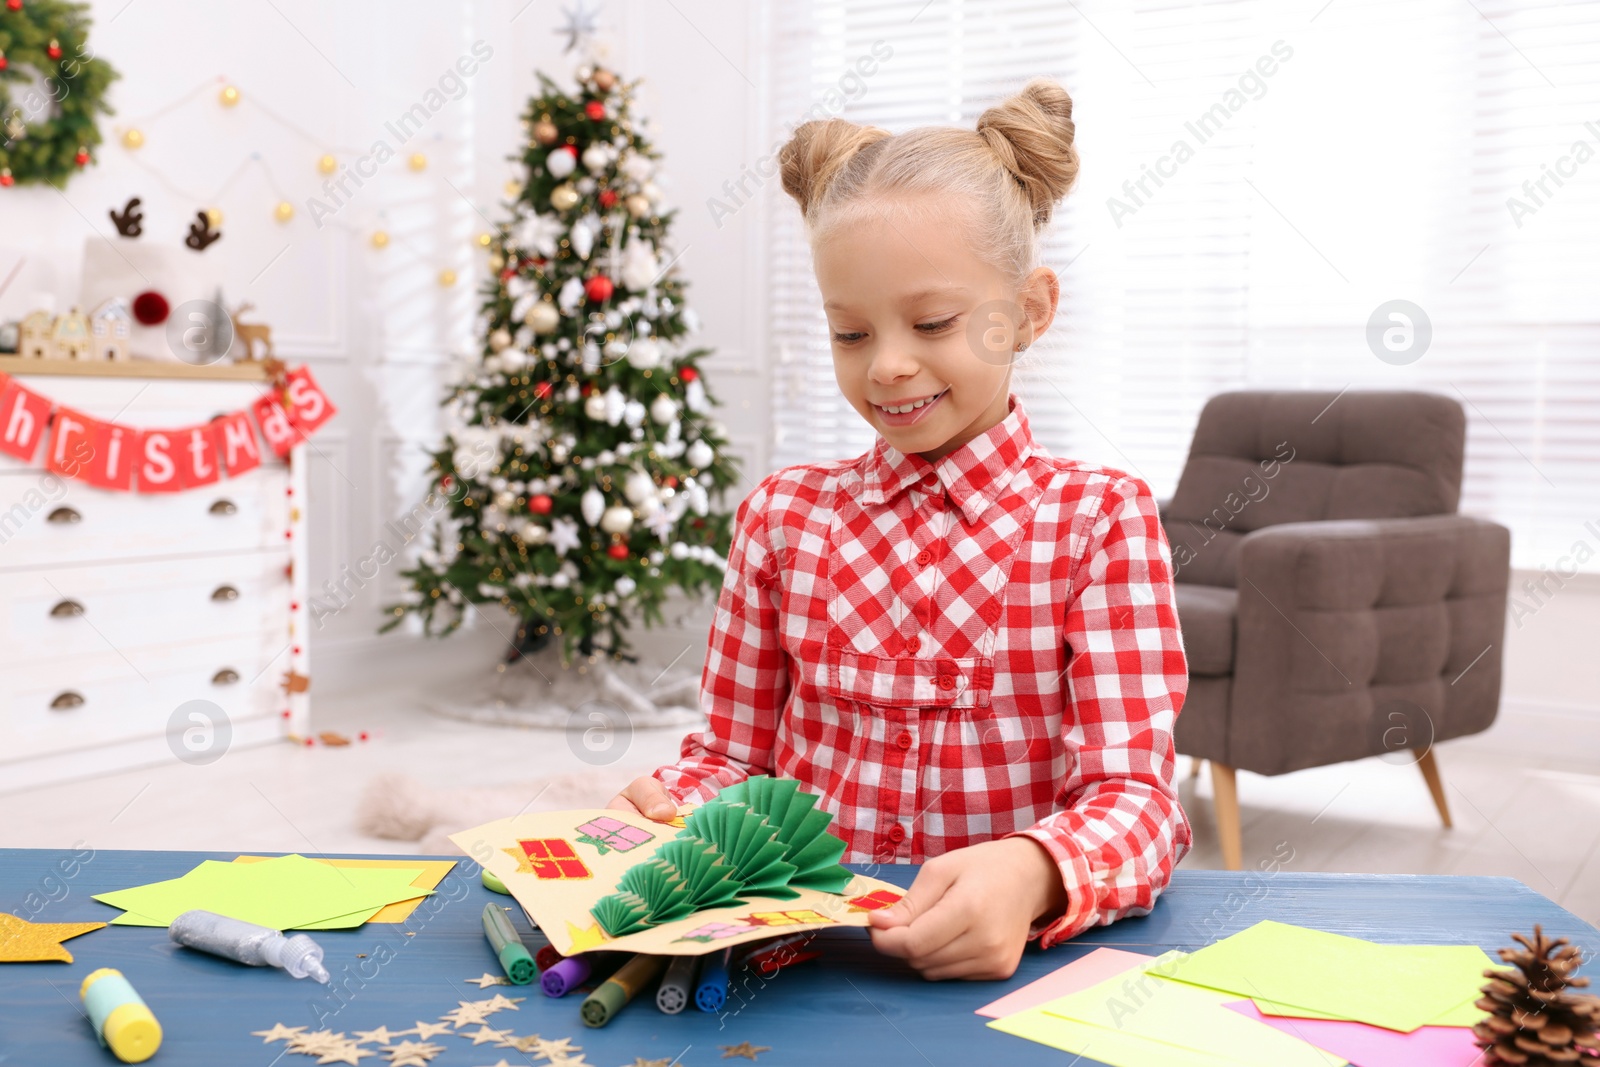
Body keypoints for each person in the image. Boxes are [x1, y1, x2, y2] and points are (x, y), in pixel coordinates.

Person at [609, 76, 1190, 980]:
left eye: (932, 322)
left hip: (1009, 975)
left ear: (1030, 311)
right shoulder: (780, 518)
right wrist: (673, 810)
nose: (886, 365)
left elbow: (1139, 804)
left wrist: (1034, 870)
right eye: (849, 332)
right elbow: (729, 756)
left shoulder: (1098, 520)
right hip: (792, 966)